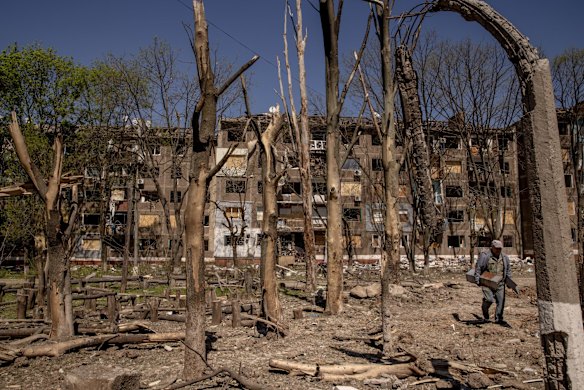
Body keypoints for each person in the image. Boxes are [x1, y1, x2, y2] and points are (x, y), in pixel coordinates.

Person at [474, 239, 511, 326]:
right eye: (496, 248)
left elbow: (508, 270)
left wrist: (509, 281)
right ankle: (485, 313)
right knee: (489, 299)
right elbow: (478, 268)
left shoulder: (504, 257)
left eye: (500, 248)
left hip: (500, 283)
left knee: (501, 301)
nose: (498, 250)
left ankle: (499, 319)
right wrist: (477, 279)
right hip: (487, 281)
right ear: (492, 247)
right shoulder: (485, 255)